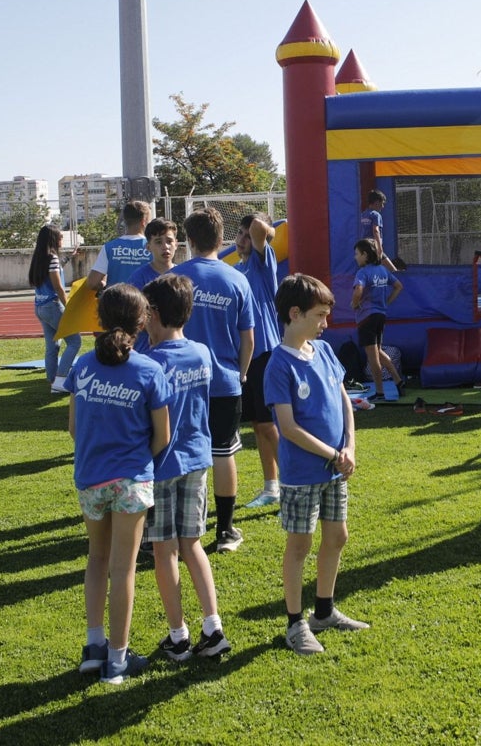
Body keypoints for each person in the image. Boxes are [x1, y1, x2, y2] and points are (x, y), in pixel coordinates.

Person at [66, 283, 171, 684]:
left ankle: (94, 648)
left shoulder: (82, 368)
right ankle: (118, 659)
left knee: (97, 559)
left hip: (90, 477)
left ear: (100, 320)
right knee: (123, 569)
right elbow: (162, 435)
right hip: (132, 480)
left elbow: (74, 427)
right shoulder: (150, 370)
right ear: (142, 322)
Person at [264, 273, 369, 655]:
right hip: (303, 474)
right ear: (295, 313)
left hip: (335, 468)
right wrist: (333, 454)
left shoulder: (324, 351)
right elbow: (288, 428)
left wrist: (351, 448)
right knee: (300, 544)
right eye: (320, 315)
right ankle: (295, 624)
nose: (326, 323)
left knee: (337, 536)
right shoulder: (278, 365)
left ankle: (324, 612)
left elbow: (345, 402)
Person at [142, 274, 232, 663]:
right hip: (198, 460)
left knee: (165, 551)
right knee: (192, 543)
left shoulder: (148, 363)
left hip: (162, 466)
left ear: (155, 313)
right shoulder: (201, 353)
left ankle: (178, 637)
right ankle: (212, 628)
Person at [172, 208, 255, 553]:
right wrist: (242, 372)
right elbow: (248, 338)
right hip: (224, 382)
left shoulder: (175, 279)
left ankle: (174, 528)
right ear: (221, 240)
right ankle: (225, 531)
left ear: (188, 241)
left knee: (177, 451)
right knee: (223, 453)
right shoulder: (237, 279)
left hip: (181, 382)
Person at [234, 213, 284, 509]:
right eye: (238, 234)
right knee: (258, 424)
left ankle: (293, 484)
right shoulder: (237, 270)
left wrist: (262, 232)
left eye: (246, 234)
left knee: (268, 425)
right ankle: (272, 487)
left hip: (264, 352)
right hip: (244, 356)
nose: (242, 239)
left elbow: (259, 227)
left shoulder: (263, 263)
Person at [28, 224, 82, 394]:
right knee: (75, 342)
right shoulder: (52, 258)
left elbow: (53, 272)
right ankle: (60, 380)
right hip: (52, 306)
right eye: (59, 237)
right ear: (53, 239)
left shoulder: (40, 257)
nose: (62, 240)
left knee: (52, 346)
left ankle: (52, 380)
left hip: (40, 306)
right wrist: (69, 307)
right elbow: (58, 287)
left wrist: (68, 258)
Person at [351, 239, 404, 402]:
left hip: (367, 318)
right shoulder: (382, 270)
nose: (355, 258)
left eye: (357, 254)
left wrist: (354, 303)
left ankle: (380, 393)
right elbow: (398, 286)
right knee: (378, 351)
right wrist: (386, 302)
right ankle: (398, 380)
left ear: (365, 255)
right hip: (380, 316)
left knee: (372, 357)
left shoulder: (363, 272)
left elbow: (358, 289)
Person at [86, 200, 152, 291]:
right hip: (145, 302)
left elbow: (92, 283)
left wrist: (104, 284)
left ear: (125, 220)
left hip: (116, 302)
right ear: (144, 221)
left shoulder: (109, 247)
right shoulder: (153, 247)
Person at [126, 217, 179, 290]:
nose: (165, 246)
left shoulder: (183, 274)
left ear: (176, 244)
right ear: (148, 247)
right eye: (159, 242)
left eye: (169, 241)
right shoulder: (139, 278)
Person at [358, 189, 402, 273]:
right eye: (382, 204)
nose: (383, 206)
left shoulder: (363, 214)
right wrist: (379, 248)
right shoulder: (376, 215)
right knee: (393, 270)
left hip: (363, 248)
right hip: (373, 248)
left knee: (372, 272)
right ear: (377, 202)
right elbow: (375, 230)